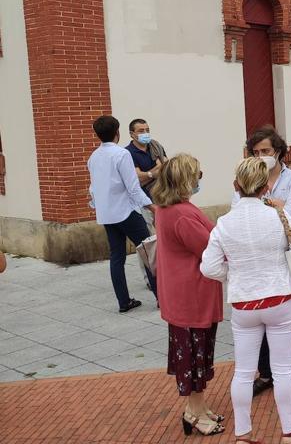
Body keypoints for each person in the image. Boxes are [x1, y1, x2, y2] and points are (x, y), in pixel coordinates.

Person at [200, 157, 291, 444]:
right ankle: (288, 432)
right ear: (265, 187)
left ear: (236, 185)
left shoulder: (224, 223)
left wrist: (234, 273)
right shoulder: (279, 215)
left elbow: (208, 267)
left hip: (245, 303)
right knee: (283, 369)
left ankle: (243, 434)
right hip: (280, 298)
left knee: (244, 371)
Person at [153, 154, 225, 437]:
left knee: (197, 354)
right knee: (194, 357)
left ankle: (199, 407)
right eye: (197, 175)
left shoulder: (169, 207)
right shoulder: (181, 214)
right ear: (185, 179)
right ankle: (193, 412)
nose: (199, 180)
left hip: (184, 293)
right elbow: (209, 247)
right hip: (190, 296)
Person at [242, 127, 291, 398]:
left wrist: (266, 207)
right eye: (256, 152)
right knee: (258, 318)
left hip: (285, 257)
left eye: (266, 151)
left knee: (286, 319)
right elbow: (241, 212)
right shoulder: (245, 177)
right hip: (256, 257)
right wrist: (274, 206)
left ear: (278, 151)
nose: (261, 156)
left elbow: (289, 216)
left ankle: (287, 374)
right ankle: (266, 373)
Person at [86, 115, 156, 312]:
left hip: (107, 214)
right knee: (148, 252)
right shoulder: (121, 154)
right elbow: (133, 188)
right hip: (126, 211)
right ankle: (161, 297)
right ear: (117, 132)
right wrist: (151, 207)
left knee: (117, 257)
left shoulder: (94, 157)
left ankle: (124, 301)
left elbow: (93, 188)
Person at [125, 118, 167, 196]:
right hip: (142, 200)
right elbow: (137, 180)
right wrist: (155, 171)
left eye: (147, 130)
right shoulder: (127, 152)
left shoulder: (156, 146)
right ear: (132, 134)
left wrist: (147, 174)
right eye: (141, 131)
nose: (145, 133)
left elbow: (166, 168)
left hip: (161, 196)